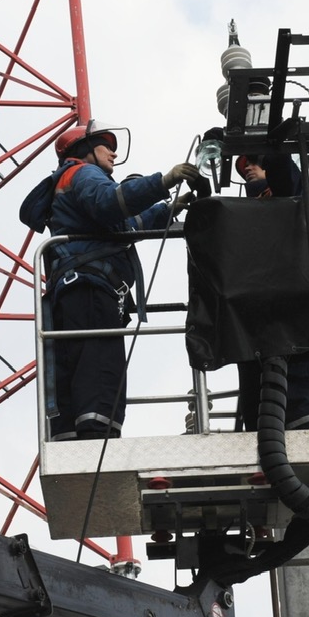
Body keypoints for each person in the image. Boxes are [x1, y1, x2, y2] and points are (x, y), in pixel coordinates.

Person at [34, 121, 200, 441]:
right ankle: (98, 436)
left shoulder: (71, 184)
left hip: (70, 293)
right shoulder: (83, 174)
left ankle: (71, 435)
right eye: (105, 145)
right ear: (85, 150)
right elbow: (111, 203)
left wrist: (168, 210)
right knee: (99, 365)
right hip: (91, 290)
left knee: (77, 367)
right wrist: (164, 181)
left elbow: (124, 224)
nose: (113, 151)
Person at [230, 145, 309, 431]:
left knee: (299, 387)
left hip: (293, 307)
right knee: (256, 387)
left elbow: (281, 168)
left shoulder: (289, 190)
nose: (248, 168)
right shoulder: (241, 212)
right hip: (254, 315)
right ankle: (261, 439)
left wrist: (263, 137)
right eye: (243, 165)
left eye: (254, 162)